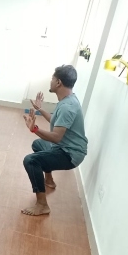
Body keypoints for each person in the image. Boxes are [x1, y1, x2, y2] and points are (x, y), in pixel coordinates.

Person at [22, 65, 87, 216]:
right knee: (38, 144)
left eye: (52, 78)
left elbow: (56, 137)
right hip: (64, 147)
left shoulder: (67, 106)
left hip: (71, 154)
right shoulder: (67, 100)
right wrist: (40, 109)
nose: (50, 81)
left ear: (58, 82)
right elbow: (57, 121)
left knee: (31, 161)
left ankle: (42, 205)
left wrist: (34, 129)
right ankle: (49, 180)